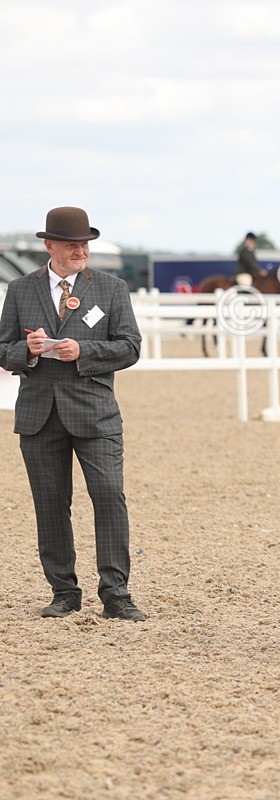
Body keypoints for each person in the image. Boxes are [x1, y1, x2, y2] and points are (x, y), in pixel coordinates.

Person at [0, 207, 145, 620]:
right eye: (71, 244)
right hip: (39, 415)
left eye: (84, 243)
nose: (80, 250)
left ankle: (116, 593)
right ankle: (63, 591)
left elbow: (131, 347)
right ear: (49, 246)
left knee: (109, 499)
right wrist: (24, 351)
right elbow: (2, 348)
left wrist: (85, 351)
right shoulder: (21, 289)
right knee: (50, 504)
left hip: (95, 414)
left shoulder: (112, 288)